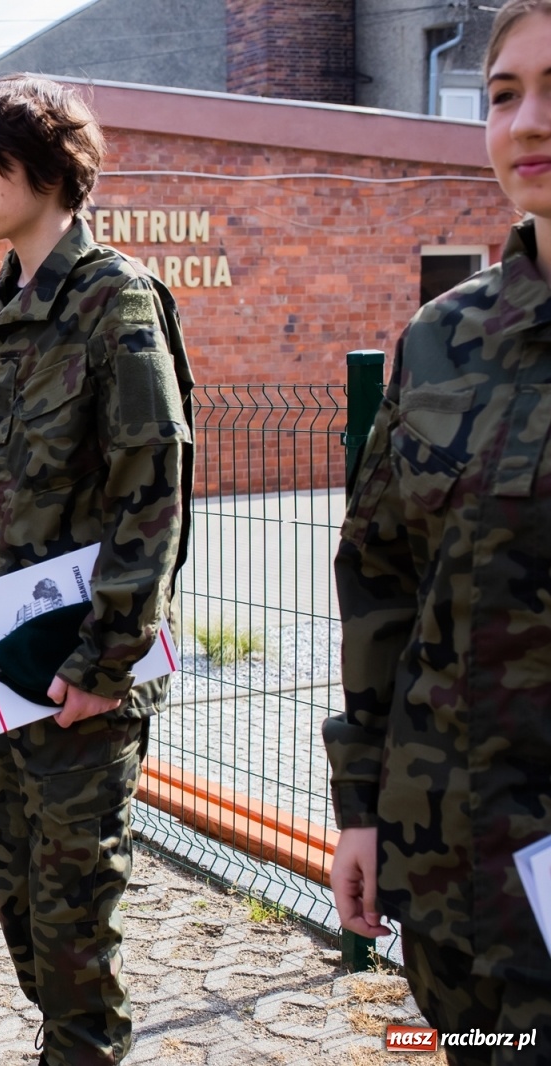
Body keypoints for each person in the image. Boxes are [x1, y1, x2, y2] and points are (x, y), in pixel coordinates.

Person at [0, 78, 194, 1065]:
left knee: (77, 944)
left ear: (47, 172)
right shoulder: (2, 301)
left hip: (75, 682)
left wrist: (104, 663)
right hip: (4, 670)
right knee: (27, 928)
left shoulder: (112, 300)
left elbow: (153, 486)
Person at [327, 1, 551, 1052]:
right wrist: (360, 806)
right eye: (503, 94)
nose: (525, 124)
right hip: (452, 871)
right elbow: (379, 584)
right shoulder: (442, 339)